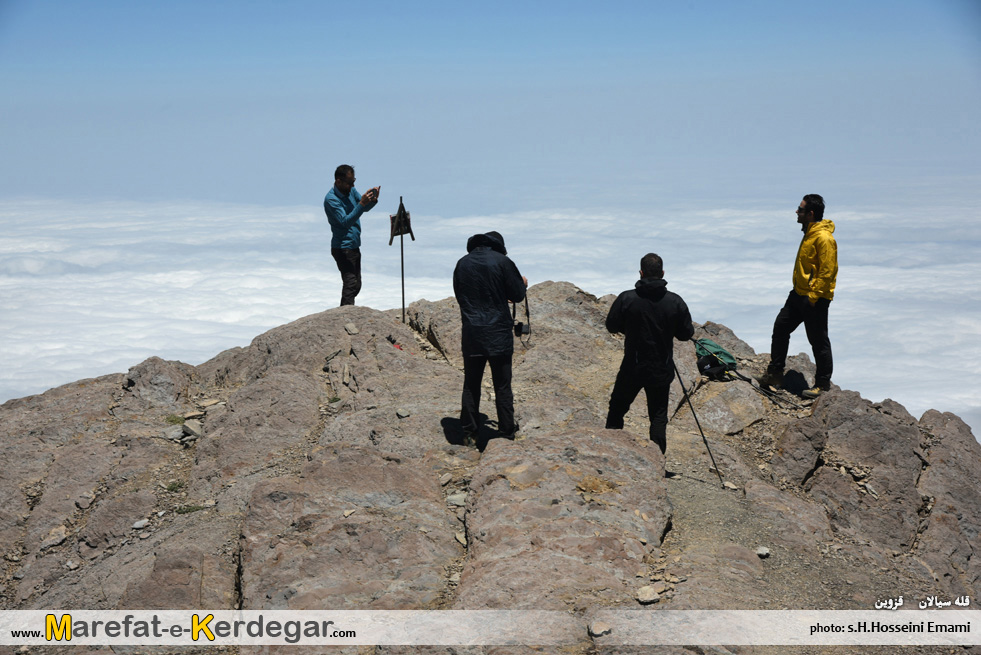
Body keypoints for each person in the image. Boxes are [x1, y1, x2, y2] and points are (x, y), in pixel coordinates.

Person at [605, 253, 694, 457]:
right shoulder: (675, 302)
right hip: (660, 368)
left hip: (632, 366)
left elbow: (611, 326)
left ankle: (610, 453)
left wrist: (630, 327)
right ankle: (657, 461)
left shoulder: (627, 298)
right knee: (658, 416)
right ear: (662, 273)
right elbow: (685, 334)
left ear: (641, 273)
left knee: (617, 409)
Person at [757, 194, 837, 399]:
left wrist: (812, 296)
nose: (796, 212)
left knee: (818, 341)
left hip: (814, 299)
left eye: (800, 209)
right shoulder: (810, 232)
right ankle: (774, 373)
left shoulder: (823, 238)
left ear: (810, 214)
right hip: (798, 294)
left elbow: (827, 271)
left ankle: (822, 385)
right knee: (780, 328)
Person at [453, 231, 528, 447]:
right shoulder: (503, 262)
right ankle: (506, 432)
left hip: (473, 332)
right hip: (498, 334)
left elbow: (461, 295)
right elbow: (517, 295)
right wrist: (522, 283)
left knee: (471, 384)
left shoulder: (462, 263)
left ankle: (469, 433)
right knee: (502, 385)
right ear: (498, 246)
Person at [323, 165, 380, 306]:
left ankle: (345, 310)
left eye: (353, 181)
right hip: (342, 248)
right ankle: (345, 315)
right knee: (350, 283)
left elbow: (363, 208)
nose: (352, 185)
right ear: (338, 181)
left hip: (354, 245)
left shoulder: (351, 191)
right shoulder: (331, 200)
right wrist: (361, 203)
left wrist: (372, 200)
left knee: (356, 284)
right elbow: (345, 222)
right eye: (349, 182)